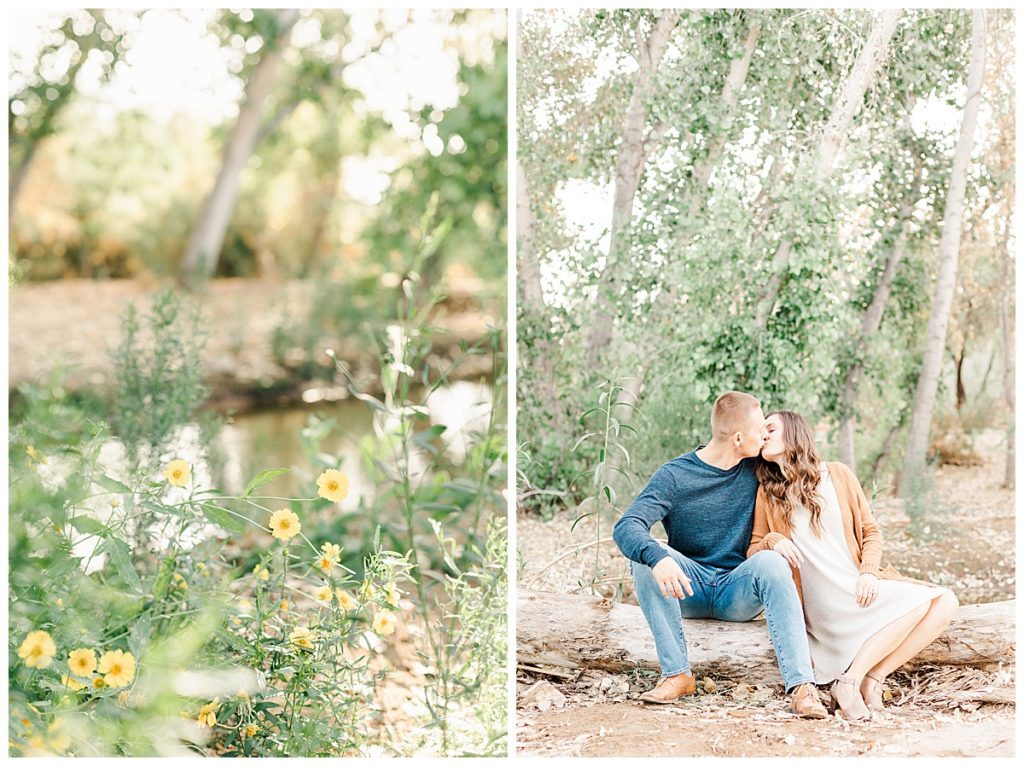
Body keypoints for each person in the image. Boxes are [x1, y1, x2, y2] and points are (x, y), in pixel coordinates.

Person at [612, 391, 828, 718]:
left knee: (771, 561)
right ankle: (677, 674)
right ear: (739, 438)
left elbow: (800, 464)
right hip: (689, 587)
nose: (765, 438)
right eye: (760, 432)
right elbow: (627, 525)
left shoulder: (757, 466)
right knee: (646, 557)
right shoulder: (675, 476)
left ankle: (802, 687)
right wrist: (658, 557)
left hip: (735, 590)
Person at [748, 410, 959, 721]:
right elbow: (754, 550)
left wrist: (869, 572)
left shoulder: (839, 475)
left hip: (856, 589)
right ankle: (849, 682)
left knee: (947, 601)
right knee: (915, 605)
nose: (763, 434)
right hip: (822, 606)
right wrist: (774, 540)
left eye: (771, 428)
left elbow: (871, 531)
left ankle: (869, 678)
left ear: (793, 432)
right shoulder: (768, 493)